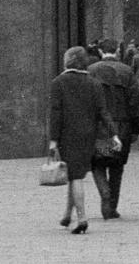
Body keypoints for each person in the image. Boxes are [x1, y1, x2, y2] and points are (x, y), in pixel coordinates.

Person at [48, 45, 118, 235]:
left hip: (67, 135)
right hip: (88, 135)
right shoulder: (94, 83)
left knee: (75, 176)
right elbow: (103, 112)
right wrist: (114, 134)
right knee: (75, 174)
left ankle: (82, 218)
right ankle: (66, 215)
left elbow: (56, 114)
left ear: (67, 60)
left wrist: (53, 140)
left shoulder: (58, 83)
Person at [87, 38, 139, 219]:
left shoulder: (91, 71)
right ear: (117, 52)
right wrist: (137, 129)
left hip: (98, 127)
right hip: (122, 127)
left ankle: (104, 193)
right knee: (116, 166)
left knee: (98, 162)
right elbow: (135, 102)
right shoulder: (127, 72)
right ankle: (112, 205)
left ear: (100, 52)